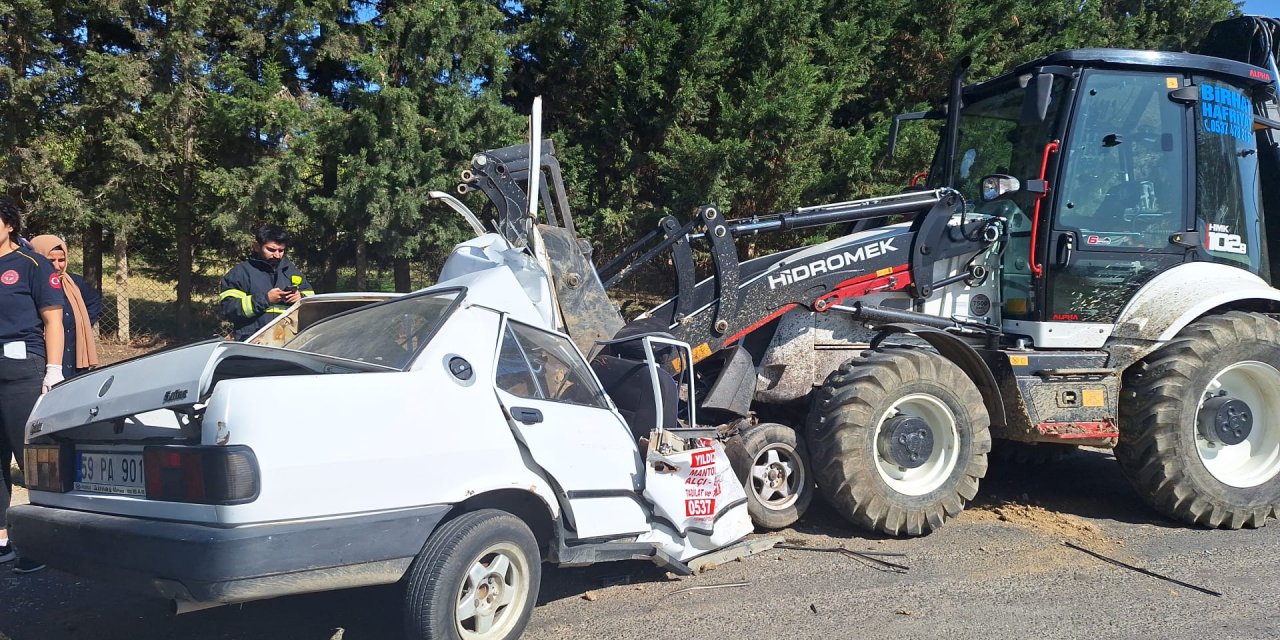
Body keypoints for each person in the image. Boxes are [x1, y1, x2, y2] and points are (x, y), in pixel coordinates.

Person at [0, 196, 64, 574]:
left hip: (22, 368)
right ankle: (3, 539)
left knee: (32, 458)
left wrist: (53, 369)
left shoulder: (32, 265)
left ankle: (41, 541)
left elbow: (53, 321)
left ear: (9, 224)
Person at [219, 224, 314, 341]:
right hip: (253, 344)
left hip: (289, 343)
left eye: (281, 250)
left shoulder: (291, 271)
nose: (277, 255)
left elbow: (313, 301)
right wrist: (266, 299)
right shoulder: (240, 273)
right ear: (256, 246)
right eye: (271, 250)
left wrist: (301, 297)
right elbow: (230, 310)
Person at [30, 235, 101, 379]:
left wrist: (81, 325)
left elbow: (94, 301)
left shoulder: (75, 283)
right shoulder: (29, 285)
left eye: (61, 260)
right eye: (50, 260)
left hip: (74, 353)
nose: (57, 266)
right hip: (43, 355)